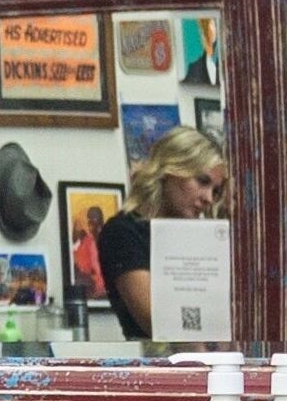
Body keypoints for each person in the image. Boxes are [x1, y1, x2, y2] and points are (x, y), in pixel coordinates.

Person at [98, 125, 231, 340]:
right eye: (202, 181)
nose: (208, 198)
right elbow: (156, 322)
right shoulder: (124, 231)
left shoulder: (201, 236)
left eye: (215, 191)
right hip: (155, 356)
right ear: (171, 170)